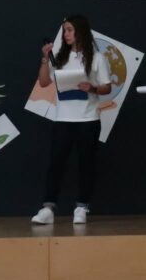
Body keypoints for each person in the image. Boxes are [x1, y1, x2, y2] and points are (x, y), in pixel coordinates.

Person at [31, 16, 112, 225]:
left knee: (86, 164)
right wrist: (45, 58)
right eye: (65, 30)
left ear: (80, 31)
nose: (66, 34)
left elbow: (107, 87)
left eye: (69, 30)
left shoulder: (97, 58)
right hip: (63, 119)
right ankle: (48, 208)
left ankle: (81, 207)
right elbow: (43, 82)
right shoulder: (59, 57)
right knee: (55, 164)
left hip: (88, 119)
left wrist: (92, 88)